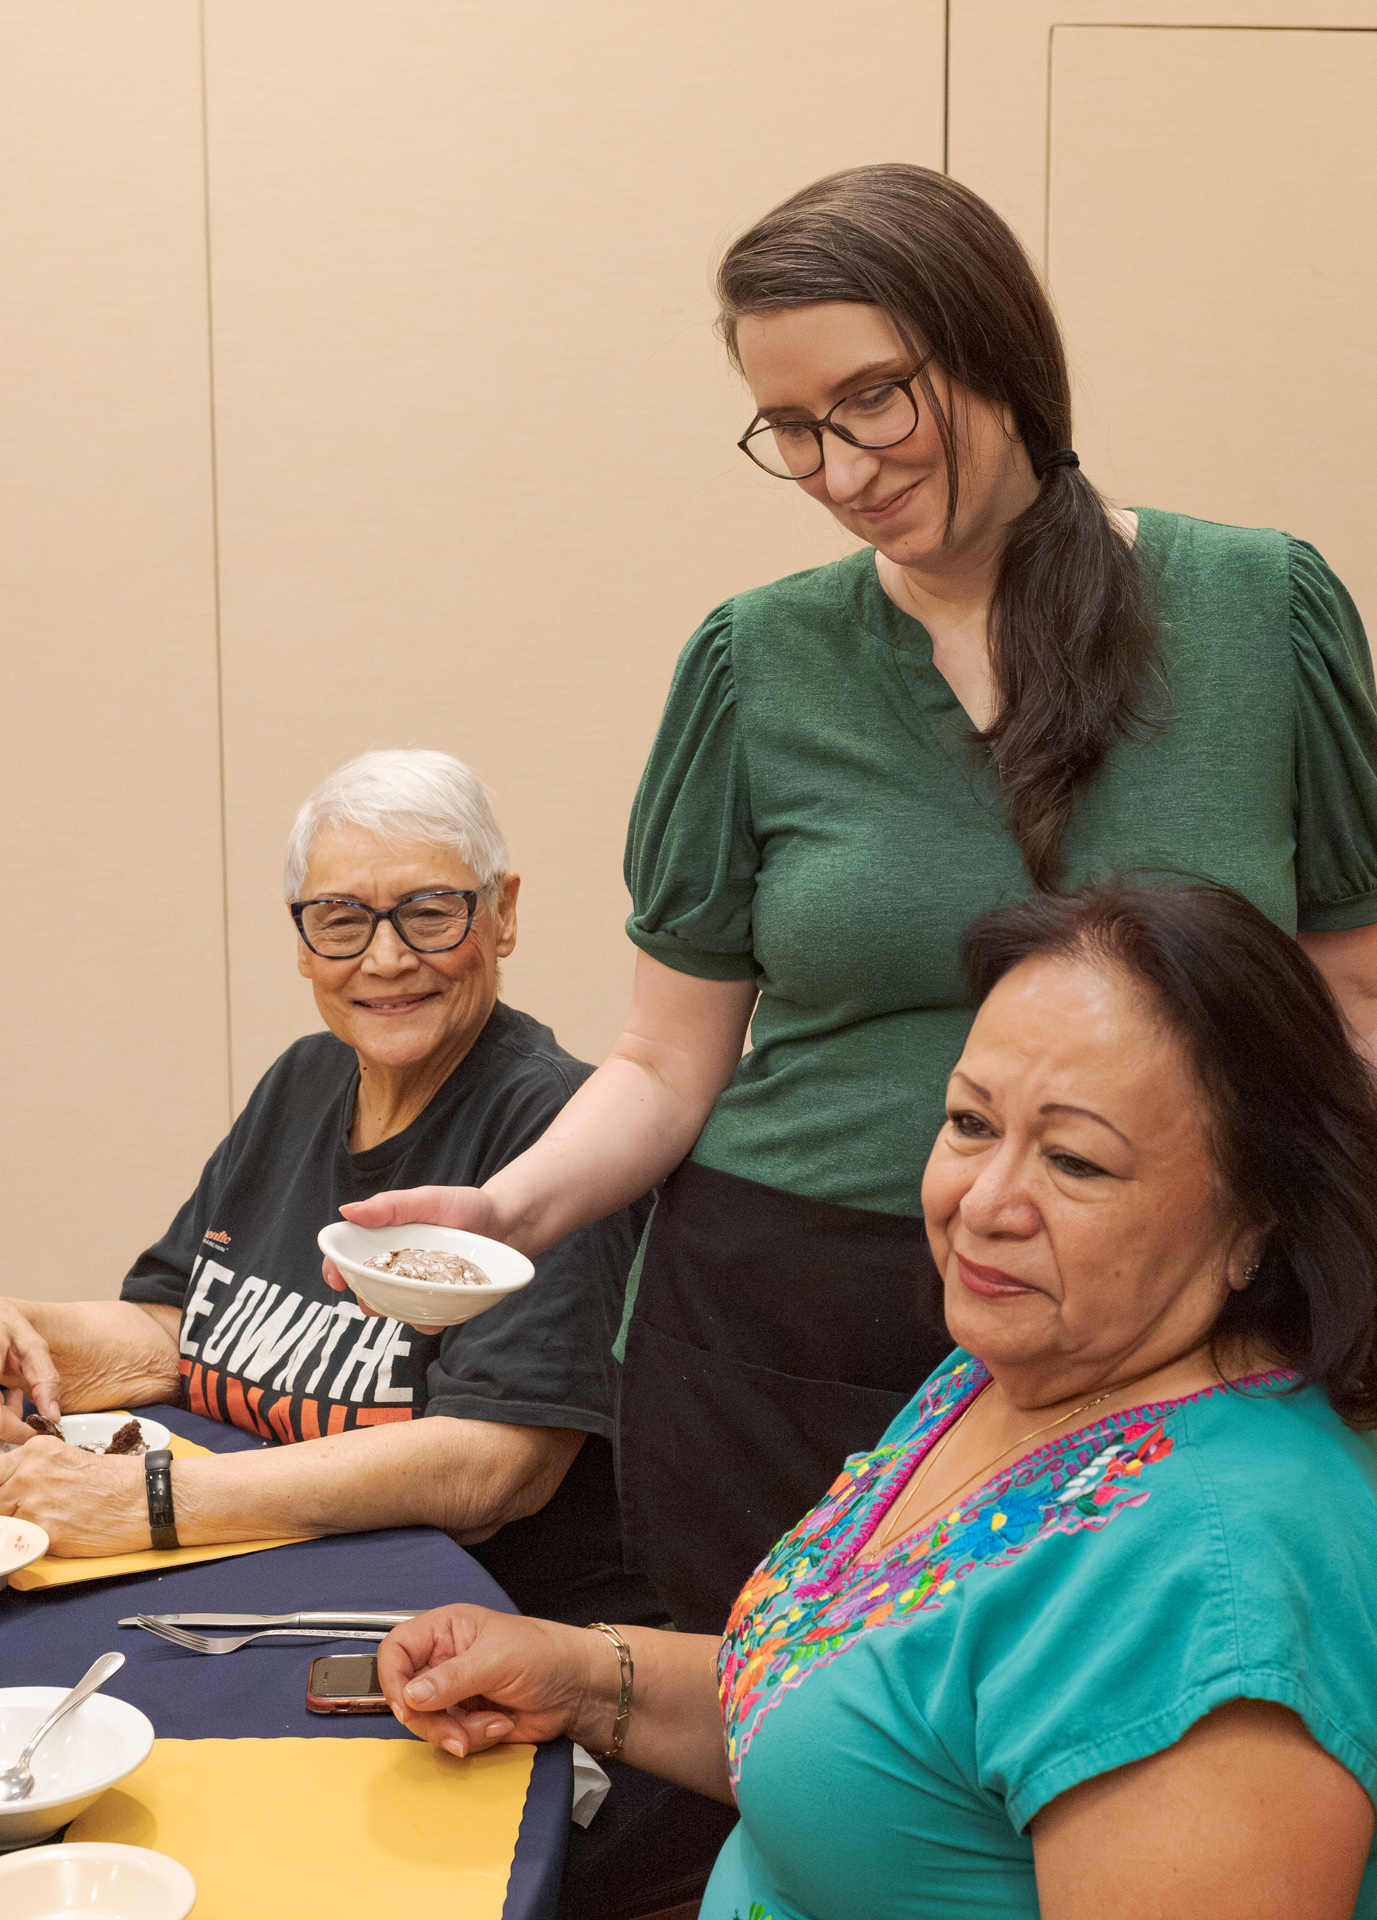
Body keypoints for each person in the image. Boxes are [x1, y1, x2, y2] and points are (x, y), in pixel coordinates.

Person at [335, 163, 1377, 1636]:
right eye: (792, 431)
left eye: (875, 398)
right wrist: (500, 1210)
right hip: (786, 1316)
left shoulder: (1261, 611)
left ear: (1001, 350)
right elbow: (663, 1058)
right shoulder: (756, 662)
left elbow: (1350, 1008)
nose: (840, 468)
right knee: (780, 1786)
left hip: (1178, 1317)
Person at [372, 878, 1377, 1920]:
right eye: (971, 1123)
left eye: (1075, 1160)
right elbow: (870, 1738)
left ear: (1258, 1212)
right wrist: (583, 1675)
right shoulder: (1014, 1370)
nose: (982, 1205)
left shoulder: (1217, 1594)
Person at [0, 748, 657, 1628]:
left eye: (429, 913)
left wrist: (145, 1500)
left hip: (475, 1643)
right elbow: (178, 1331)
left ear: (501, 914)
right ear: (303, 939)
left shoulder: (565, 1131)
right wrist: (23, 1329)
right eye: (341, 919)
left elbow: (492, 1469)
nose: (384, 959)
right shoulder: (307, 1076)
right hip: (257, 1592)